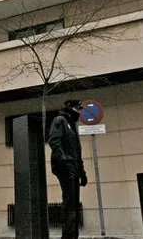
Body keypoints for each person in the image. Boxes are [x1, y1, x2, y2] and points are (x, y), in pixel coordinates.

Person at [48, 100, 88, 239]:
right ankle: (68, 236)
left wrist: (82, 172)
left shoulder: (72, 125)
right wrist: (64, 162)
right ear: (71, 108)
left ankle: (72, 235)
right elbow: (54, 141)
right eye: (78, 108)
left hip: (74, 168)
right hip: (65, 167)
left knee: (74, 204)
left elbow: (77, 152)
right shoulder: (60, 120)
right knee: (69, 203)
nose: (79, 112)